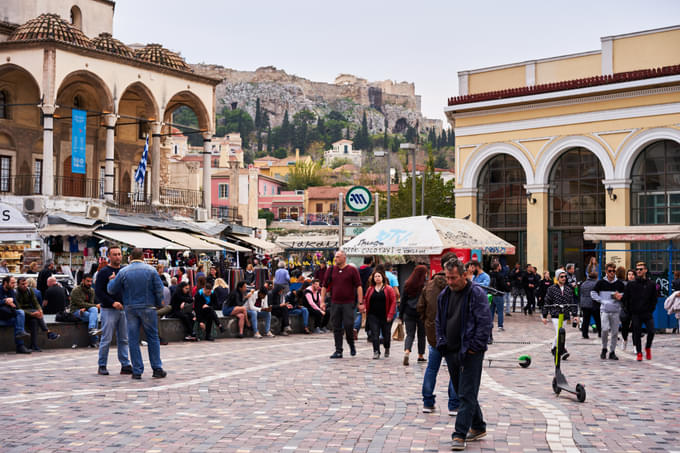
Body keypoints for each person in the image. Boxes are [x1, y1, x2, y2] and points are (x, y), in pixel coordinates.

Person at [435, 259, 492, 451]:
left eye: (453, 278)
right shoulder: (444, 295)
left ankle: (459, 434)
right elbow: (438, 320)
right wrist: (441, 341)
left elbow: (484, 322)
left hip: (471, 351)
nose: (450, 282)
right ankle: (478, 426)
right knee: (463, 390)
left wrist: (475, 347)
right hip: (451, 349)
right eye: (447, 277)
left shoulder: (476, 293)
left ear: (464, 275)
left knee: (466, 393)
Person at [107, 248, 167, 379]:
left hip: (130, 307)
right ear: (143, 257)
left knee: (133, 339)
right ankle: (157, 368)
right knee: (152, 337)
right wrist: (158, 304)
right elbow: (159, 289)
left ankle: (137, 370)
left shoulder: (123, 271)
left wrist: (112, 279)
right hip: (148, 306)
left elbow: (111, 290)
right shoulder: (151, 270)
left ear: (130, 258)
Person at [417, 252, 459, 415]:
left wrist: (428, 323)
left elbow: (420, 308)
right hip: (452, 335)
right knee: (454, 370)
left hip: (433, 334)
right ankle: (454, 404)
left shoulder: (429, 285)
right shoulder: (456, 285)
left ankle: (428, 402)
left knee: (432, 368)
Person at [94, 245, 132, 376]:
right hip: (108, 309)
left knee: (124, 338)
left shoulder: (125, 270)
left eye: (119, 254)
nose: (117, 257)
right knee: (106, 338)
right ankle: (102, 365)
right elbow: (98, 292)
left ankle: (125, 364)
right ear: (109, 256)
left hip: (124, 309)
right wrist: (112, 302)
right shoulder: (103, 272)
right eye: (114, 254)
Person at [321, 250, 362, 359]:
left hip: (348, 303)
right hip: (335, 303)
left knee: (349, 325)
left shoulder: (352, 270)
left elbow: (359, 286)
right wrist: (322, 301)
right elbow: (324, 286)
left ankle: (351, 344)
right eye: (335, 257)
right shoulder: (330, 270)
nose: (336, 259)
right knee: (336, 326)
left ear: (344, 258)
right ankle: (338, 350)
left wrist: (360, 302)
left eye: (338, 257)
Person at [623, 261, 657, 361]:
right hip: (635, 313)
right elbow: (626, 298)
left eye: (640, 269)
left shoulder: (651, 284)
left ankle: (648, 347)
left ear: (645, 270)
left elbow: (654, 299)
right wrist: (629, 310)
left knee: (651, 331)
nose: (638, 271)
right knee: (636, 333)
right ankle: (639, 352)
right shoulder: (631, 284)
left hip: (647, 312)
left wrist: (650, 309)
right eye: (637, 269)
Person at [591, 262, 625, 360]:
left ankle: (612, 351)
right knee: (604, 329)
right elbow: (593, 293)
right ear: (606, 271)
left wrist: (619, 297)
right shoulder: (601, 282)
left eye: (614, 271)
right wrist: (601, 301)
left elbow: (625, 295)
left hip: (615, 310)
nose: (612, 273)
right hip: (605, 310)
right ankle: (604, 348)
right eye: (610, 271)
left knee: (615, 332)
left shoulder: (619, 283)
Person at [541, 269, 578, 360]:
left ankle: (554, 348)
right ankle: (563, 350)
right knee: (560, 332)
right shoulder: (551, 289)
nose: (564, 278)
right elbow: (547, 302)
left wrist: (575, 315)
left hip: (565, 314)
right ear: (557, 278)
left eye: (565, 276)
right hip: (555, 314)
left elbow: (572, 302)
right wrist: (544, 316)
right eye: (561, 276)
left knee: (561, 332)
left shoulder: (568, 289)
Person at [15, 276, 59, 351]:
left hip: (31, 312)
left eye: (25, 284)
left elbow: (35, 302)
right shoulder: (16, 293)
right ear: (18, 285)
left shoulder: (30, 290)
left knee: (34, 322)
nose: (25, 285)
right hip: (21, 314)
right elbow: (18, 308)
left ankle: (34, 345)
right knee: (35, 315)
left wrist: (39, 310)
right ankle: (48, 332)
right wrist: (32, 314)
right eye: (22, 284)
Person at [360, 268, 397, 359]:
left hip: (385, 315)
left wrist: (390, 315)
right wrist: (364, 307)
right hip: (373, 315)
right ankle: (376, 351)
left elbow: (393, 302)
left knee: (386, 334)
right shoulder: (370, 289)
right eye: (375, 276)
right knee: (375, 334)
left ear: (382, 278)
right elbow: (366, 299)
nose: (377, 278)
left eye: (379, 276)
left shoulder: (389, 289)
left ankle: (387, 347)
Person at [400, 265, 427, 365]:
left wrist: (400, 315)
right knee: (421, 335)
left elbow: (403, 300)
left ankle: (407, 351)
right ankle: (420, 355)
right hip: (421, 313)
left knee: (410, 334)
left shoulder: (407, 284)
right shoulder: (425, 285)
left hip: (409, 312)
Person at [0, 276, 31, 354]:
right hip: (1, 318)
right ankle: (20, 345)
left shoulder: (11, 291)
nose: (14, 285)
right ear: (5, 283)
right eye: (12, 283)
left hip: (8, 317)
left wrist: (12, 301)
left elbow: (17, 306)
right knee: (19, 320)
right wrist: (4, 301)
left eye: (14, 283)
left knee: (20, 313)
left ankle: (20, 345)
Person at [70, 275, 101, 347]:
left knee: (94, 310)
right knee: (94, 316)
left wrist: (89, 307)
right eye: (88, 281)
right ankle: (94, 341)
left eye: (91, 281)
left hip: (86, 309)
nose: (90, 283)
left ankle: (91, 329)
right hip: (76, 310)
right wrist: (95, 306)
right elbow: (80, 303)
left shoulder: (92, 290)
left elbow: (91, 303)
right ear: (83, 280)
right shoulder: (76, 290)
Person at [489, 261, 510, 332]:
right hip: (499, 294)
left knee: (491, 311)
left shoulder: (490, 274)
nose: (501, 266)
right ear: (498, 267)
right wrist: (508, 288)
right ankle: (500, 326)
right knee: (500, 311)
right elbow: (503, 285)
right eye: (500, 265)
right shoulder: (500, 275)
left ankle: (489, 325)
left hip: (491, 295)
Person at [578, 271, 599, 340]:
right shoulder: (596, 283)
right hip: (593, 304)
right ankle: (600, 333)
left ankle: (585, 334)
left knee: (585, 320)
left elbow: (580, 293)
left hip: (584, 304)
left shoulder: (584, 283)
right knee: (597, 319)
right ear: (596, 277)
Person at [620, 269, 635, 350]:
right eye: (629, 274)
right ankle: (624, 340)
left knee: (635, 328)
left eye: (632, 274)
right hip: (626, 308)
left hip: (635, 309)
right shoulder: (623, 284)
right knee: (625, 328)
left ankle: (635, 345)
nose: (631, 276)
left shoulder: (637, 284)